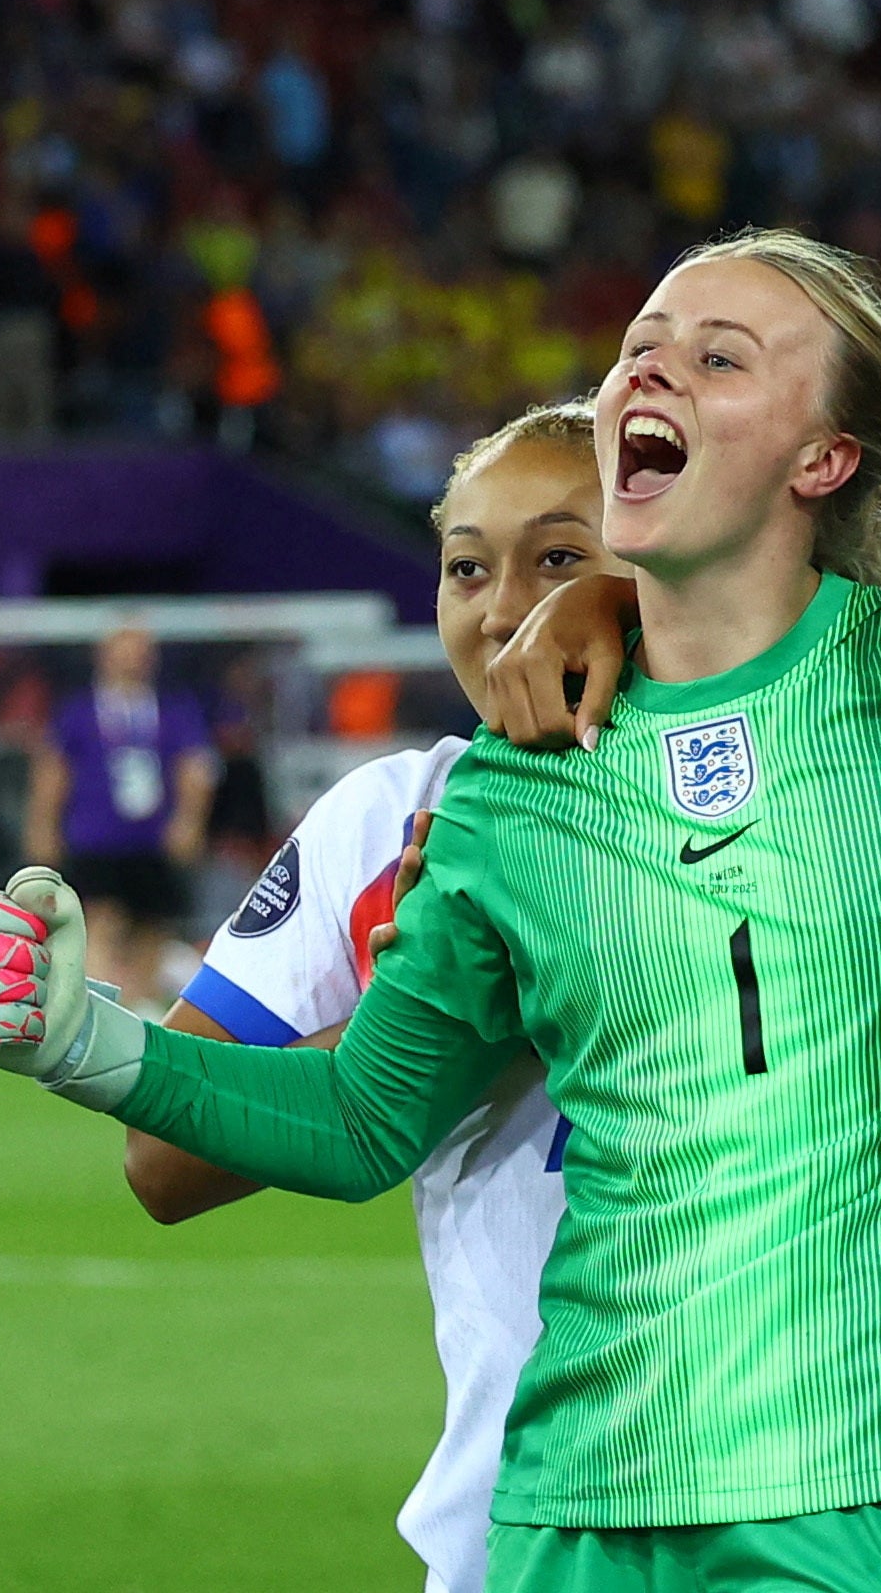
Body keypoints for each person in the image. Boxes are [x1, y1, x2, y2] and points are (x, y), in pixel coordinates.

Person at [0, 225, 881, 1590]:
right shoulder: (510, 786)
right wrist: (81, 1042)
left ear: (825, 459)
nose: (650, 372)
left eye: (717, 358)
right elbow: (363, 1116)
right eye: (639, 348)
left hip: (856, 1491)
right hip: (567, 1508)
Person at [124, 401, 618, 1593]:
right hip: (513, 1523)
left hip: (807, 1488)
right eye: (466, 567)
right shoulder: (393, 817)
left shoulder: (784, 776)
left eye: (560, 557)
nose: (501, 608)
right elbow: (163, 1161)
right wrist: (428, 1014)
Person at [22, 625, 216, 1013]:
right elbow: (54, 770)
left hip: (152, 837)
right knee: (101, 921)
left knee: (152, 926)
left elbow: (194, 767)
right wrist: (43, 826)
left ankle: (142, 1005)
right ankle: (98, 1003)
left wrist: (189, 822)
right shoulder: (79, 712)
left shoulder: (172, 710)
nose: (133, 660)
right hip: (95, 836)